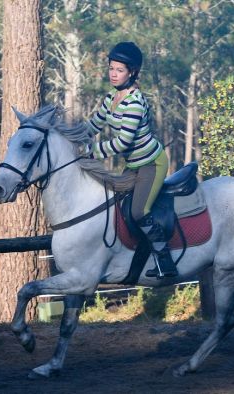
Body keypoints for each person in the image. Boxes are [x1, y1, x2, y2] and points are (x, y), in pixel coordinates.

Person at [85, 42, 177, 278]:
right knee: (115, 207)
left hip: (151, 163)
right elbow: (94, 125)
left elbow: (123, 143)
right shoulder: (112, 97)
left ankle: (164, 261)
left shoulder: (135, 102)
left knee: (139, 211)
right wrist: (70, 137)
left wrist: (91, 151)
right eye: (111, 68)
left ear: (132, 72)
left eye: (119, 70)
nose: (113, 74)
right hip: (133, 165)